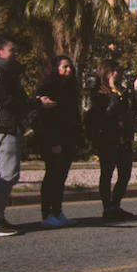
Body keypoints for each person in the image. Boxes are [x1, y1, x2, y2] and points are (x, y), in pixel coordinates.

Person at [0, 36, 55, 236]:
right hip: (2, 128)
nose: (16, 54)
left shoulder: (6, 73)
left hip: (7, 127)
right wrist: (37, 104)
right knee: (8, 174)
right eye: (12, 50)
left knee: (6, 174)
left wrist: (34, 101)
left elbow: (16, 100)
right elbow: (8, 101)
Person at [87, 59, 137, 222]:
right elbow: (109, 112)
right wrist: (112, 91)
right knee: (107, 174)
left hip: (123, 138)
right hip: (107, 138)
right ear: (105, 72)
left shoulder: (122, 90)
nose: (116, 74)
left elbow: (134, 108)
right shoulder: (98, 92)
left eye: (117, 71)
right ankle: (107, 208)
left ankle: (116, 205)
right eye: (113, 71)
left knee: (125, 174)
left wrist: (136, 90)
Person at [34, 56, 82, 227]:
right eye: (65, 67)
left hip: (68, 137)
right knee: (52, 175)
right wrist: (54, 142)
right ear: (56, 68)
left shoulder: (71, 89)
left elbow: (74, 116)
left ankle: (57, 210)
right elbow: (44, 119)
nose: (68, 70)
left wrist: (78, 139)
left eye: (70, 67)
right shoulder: (47, 88)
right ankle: (46, 213)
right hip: (52, 139)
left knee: (61, 177)